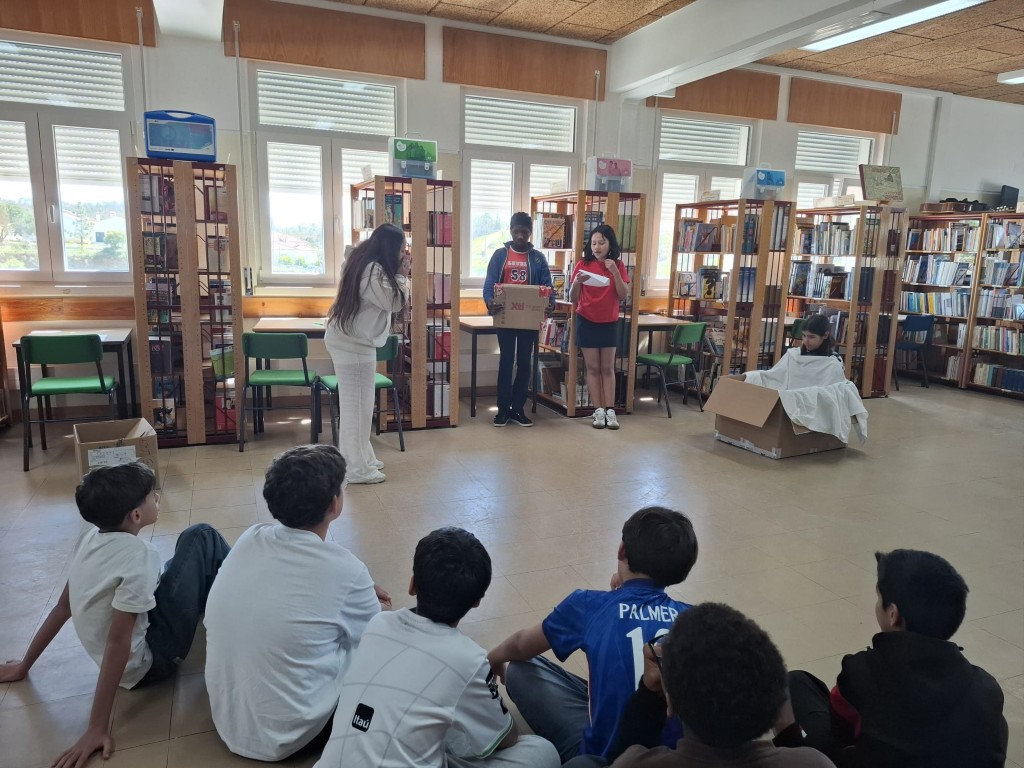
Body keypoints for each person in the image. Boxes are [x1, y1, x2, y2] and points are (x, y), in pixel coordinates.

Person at [0, 462, 229, 768]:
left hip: (134, 647)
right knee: (201, 535)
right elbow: (118, 642)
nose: (156, 498)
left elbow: (63, 608)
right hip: (154, 662)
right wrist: (96, 726)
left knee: (183, 557)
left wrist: (24, 666)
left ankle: (222, 598)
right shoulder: (140, 557)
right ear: (136, 515)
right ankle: (244, 602)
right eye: (151, 496)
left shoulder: (88, 539)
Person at [313, 527, 560, 768]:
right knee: (541, 751)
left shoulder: (377, 622)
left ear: (412, 585)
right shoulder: (469, 660)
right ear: (476, 602)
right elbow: (507, 738)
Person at [205, 444, 389, 761]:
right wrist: (378, 610)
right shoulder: (347, 570)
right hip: (295, 735)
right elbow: (374, 641)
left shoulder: (252, 536)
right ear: (334, 504)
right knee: (381, 652)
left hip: (229, 719)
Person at [488, 506, 698, 763]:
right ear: (681, 571)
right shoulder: (695, 620)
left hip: (602, 756)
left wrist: (493, 657)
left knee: (520, 670)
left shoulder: (587, 604)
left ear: (622, 550)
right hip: (675, 759)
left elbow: (521, 645)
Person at [785, 549, 1008, 768]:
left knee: (796, 683)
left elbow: (840, 735)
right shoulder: (987, 689)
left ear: (893, 614)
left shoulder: (859, 674)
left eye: (879, 597)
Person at [563, 603, 836, 768]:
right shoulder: (814, 762)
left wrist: (648, 692)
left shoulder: (634, 763)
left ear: (670, 704)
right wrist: (788, 732)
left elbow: (618, 757)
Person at [325, 222, 410, 483]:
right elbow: (393, 301)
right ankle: (355, 469)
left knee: (360, 407)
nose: (403, 255)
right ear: (389, 248)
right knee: (357, 409)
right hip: (353, 345)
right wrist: (402, 275)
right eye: (401, 250)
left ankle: (363, 458)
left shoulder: (363, 262)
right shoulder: (372, 270)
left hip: (352, 342)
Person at [483, 211, 554, 427]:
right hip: (506, 317)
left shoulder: (538, 258)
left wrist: (550, 302)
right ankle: (502, 410)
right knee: (506, 361)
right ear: (511, 231)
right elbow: (489, 283)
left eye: (524, 232)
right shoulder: (500, 255)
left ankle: (518, 409)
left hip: (528, 319)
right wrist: (490, 301)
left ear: (530, 233)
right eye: (516, 232)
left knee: (524, 363)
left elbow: (547, 285)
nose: (520, 236)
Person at [569, 224, 630, 430]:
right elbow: (573, 297)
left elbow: (623, 295)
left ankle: (611, 410)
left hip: (609, 322)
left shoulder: (618, 265)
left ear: (610, 244)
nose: (596, 247)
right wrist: (577, 282)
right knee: (593, 368)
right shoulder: (583, 264)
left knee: (607, 368)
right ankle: (598, 411)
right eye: (593, 243)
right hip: (586, 320)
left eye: (601, 243)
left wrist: (615, 273)